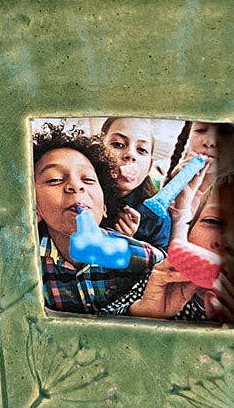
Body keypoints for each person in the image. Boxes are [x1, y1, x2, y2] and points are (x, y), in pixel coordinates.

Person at [33, 125, 164, 314]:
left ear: (104, 207)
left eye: (87, 180)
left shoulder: (146, 260)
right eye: (54, 179)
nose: (75, 186)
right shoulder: (23, 264)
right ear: (34, 207)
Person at [100, 174, 234, 324]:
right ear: (190, 231)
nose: (225, 241)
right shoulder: (163, 278)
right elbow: (99, 324)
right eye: (213, 221)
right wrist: (143, 312)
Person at [97, 117, 159, 240]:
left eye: (141, 150)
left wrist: (130, 242)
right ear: (98, 150)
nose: (130, 154)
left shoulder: (156, 217)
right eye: (118, 144)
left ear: (149, 166)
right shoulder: (81, 191)